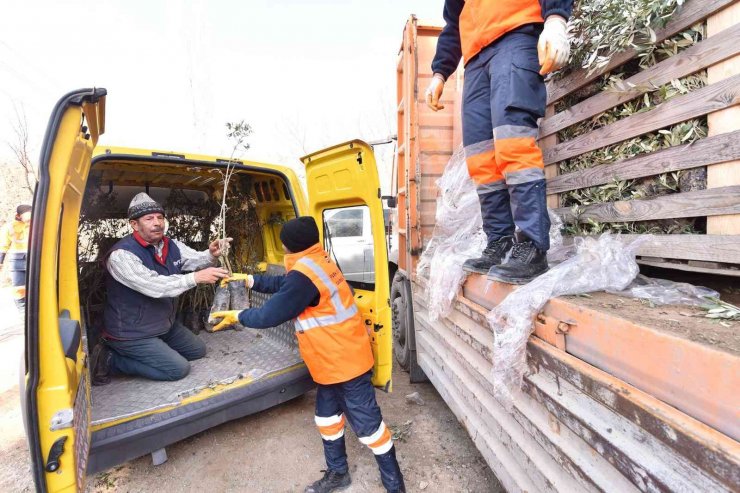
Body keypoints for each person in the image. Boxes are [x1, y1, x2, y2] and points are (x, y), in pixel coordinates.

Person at [212, 216, 405, 493]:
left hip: (345, 365)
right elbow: (286, 284)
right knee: (327, 419)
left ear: (288, 246)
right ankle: (339, 475)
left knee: (370, 429)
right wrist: (251, 281)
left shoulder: (305, 275)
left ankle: (395, 486)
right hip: (333, 363)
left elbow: (270, 314)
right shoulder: (317, 261)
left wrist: (238, 315)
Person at [426, 0, 573, 283]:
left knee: (513, 143)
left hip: (515, 36)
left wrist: (556, 18)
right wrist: (439, 72)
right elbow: (453, 25)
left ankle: (532, 245)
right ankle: (500, 241)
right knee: (480, 158)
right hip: (474, 61)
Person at [90, 192, 231, 385]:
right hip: (132, 332)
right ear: (134, 224)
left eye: (160, 217)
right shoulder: (122, 255)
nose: (157, 223)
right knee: (178, 369)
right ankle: (110, 360)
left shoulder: (169, 244)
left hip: (162, 325)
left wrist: (210, 254)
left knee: (197, 351)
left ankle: (156, 348)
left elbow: (194, 260)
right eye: (149, 218)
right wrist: (195, 278)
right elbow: (154, 285)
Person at [0, 204, 32, 310]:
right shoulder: (9, 227)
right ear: (18, 216)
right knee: (19, 290)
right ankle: (24, 312)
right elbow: (3, 246)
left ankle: (26, 311)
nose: (29, 220)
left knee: (30, 289)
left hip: (28, 260)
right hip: (19, 262)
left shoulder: (34, 224)